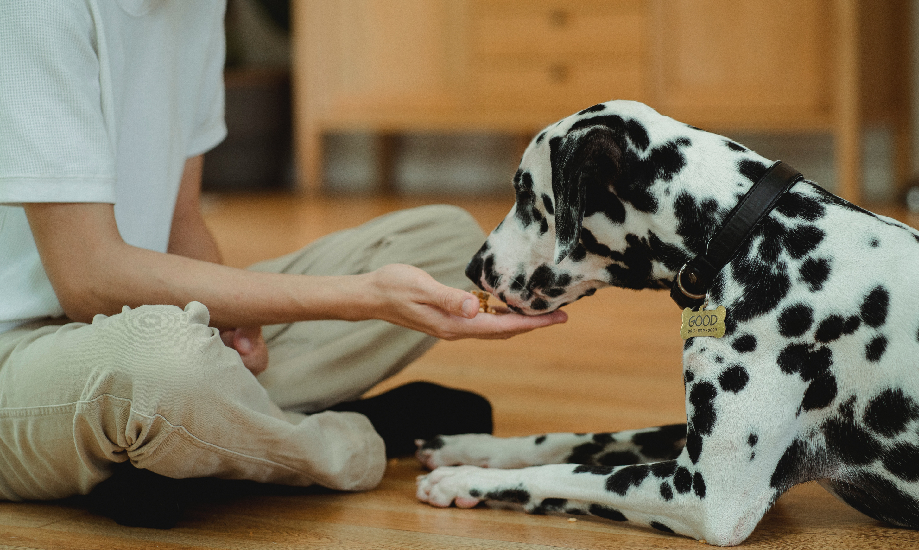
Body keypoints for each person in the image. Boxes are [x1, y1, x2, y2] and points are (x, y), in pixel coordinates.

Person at [0, 0, 566, 525]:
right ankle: (354, 438)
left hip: (131, 322)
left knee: (442, 242)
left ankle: (197, 445)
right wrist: (366, 297)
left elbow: (181, 221)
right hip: (21, 359)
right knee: (163, 365)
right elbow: (88, 279)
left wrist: (231, 322)